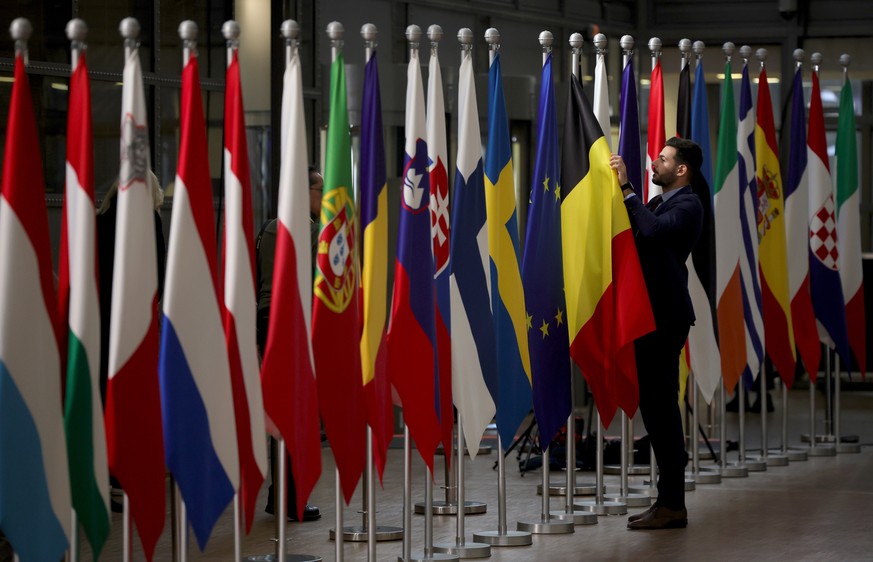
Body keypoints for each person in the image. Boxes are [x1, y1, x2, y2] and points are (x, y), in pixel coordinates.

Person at [610, 137, 704, 530]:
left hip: (665, 317)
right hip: (646, 315)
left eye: (663, 159)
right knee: (654, 407)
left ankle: (673, 504)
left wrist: (628, 188)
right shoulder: (656, 203)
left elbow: (651, 233)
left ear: (681, 170)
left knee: (662, 410)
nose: (655, 163)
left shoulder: (688, 205)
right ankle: (667, 501)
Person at [256, 166, 323, 522]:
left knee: (277, 408)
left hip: (266, 320)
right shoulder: (311, 231)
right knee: (297, 410)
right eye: (319, 191)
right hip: (293, 322)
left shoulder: (267, 228)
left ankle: (278, 494)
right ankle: (291, 497)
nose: (324, 198)